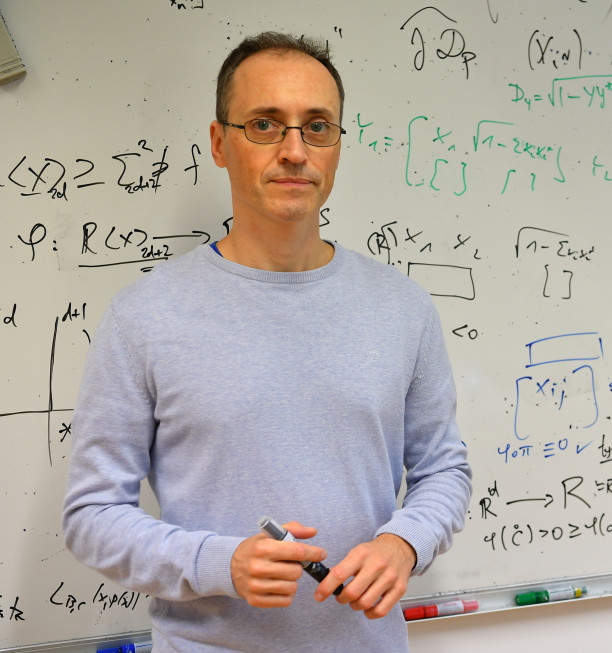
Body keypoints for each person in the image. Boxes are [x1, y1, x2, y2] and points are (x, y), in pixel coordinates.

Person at [62, 32, 472, 652]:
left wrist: (403, 541)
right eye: (264, 124)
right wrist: (217, 564)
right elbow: (91, 518)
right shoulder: (144, 317)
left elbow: (443, 467)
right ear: (220, 143)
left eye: (317, 127)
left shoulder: (402, 308)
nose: (293, 150)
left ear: (337, 147)